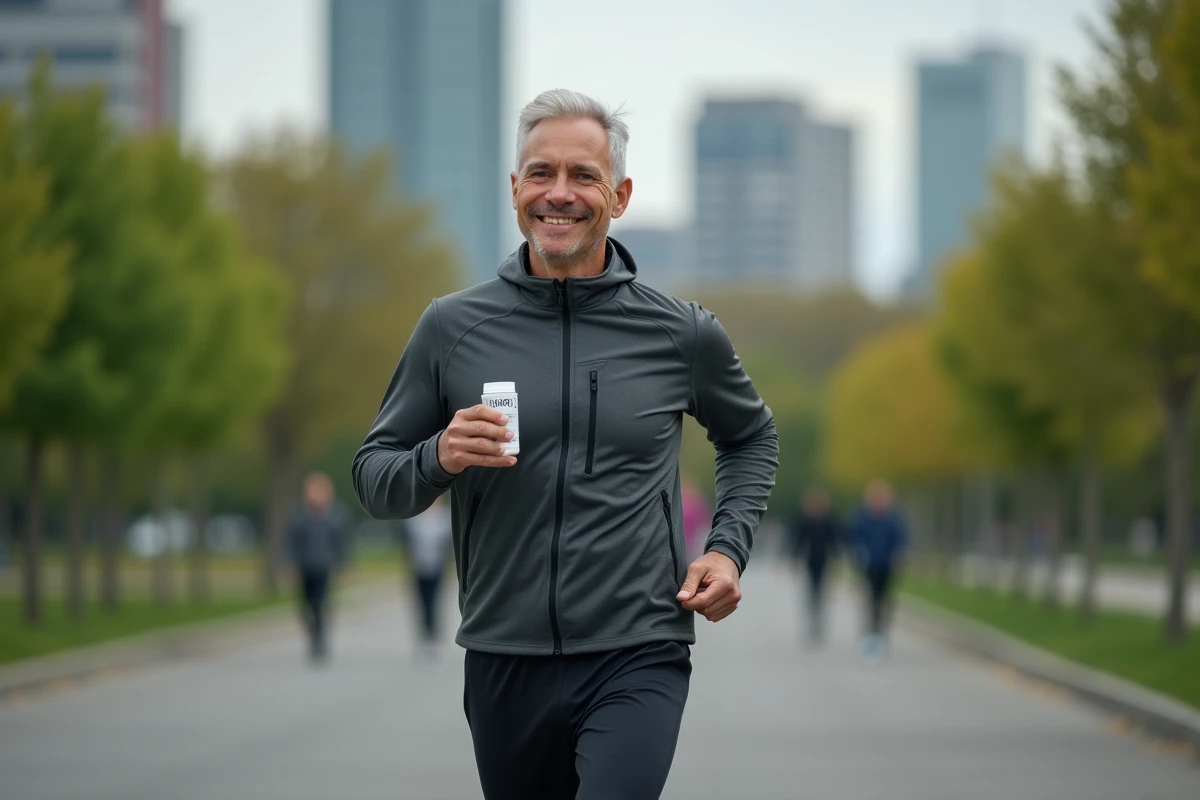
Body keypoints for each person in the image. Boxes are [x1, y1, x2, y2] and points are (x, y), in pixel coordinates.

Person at [352, 89, 778, 800]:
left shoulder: (681, 333)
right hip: (502, 655)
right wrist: (440, 456)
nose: (561, 194)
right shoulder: (450, 328)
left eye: (583, 175)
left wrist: (727, 547)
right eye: (541, 174)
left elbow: (751, 437)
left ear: (620, 194)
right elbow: (373, 478)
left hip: (638, 649)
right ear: (515, 189)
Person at [285, 472, 350, 664]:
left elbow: (342, 542)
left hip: (325, 565)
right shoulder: (299, 514)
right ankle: (312, 633)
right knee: (307, 605)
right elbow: (291, 541)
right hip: (305, 565)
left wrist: (344, 565)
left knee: (321, 603)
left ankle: (319, 641)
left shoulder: (335, 515)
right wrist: (291, 564)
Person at [847, 479, 907, 664]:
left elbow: (901, 539)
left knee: (884, 601)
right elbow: (853, 537)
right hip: (868, 566)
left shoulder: (893, 519)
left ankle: (880, 634)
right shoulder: (862, 518)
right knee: (869, 601)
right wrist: (857, 554)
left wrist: (899, 555)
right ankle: (870, 635)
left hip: (887, 566)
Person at [401, 494, 453, 663]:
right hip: (419, 568)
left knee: (434, 603)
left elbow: (449, 543)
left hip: (437, 568)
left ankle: (435, 639)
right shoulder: (414, 518)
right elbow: (407, 542)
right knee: (422, 604)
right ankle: (424, 638)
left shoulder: (445, 518)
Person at [786, 485, 841, 644]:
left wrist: (836, 558)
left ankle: (818, 623)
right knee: (810, 593)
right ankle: (811, 623)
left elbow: (834, 540)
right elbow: (798, 539)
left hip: (824, 560)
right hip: (810, 560)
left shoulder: (828, 519)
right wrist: (794, 558)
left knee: (821, 593)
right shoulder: (805, 519)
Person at [679, 474, 713, 562]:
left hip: (694, 543)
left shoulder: (698, 500)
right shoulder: (681, 500)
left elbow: (707, 520)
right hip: (683, 542)